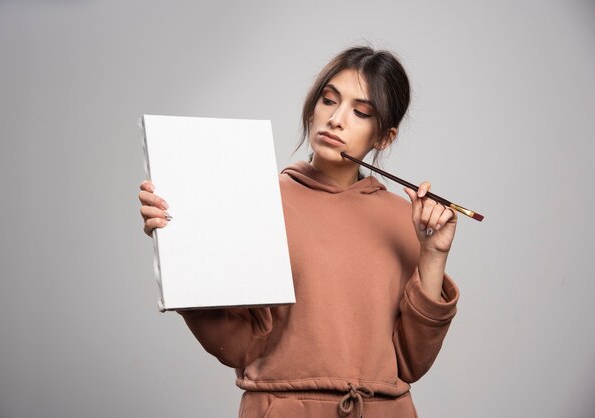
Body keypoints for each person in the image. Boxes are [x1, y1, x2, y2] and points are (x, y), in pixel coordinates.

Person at [138, 46, 459, 418]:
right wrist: (178, 240)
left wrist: (433, 255)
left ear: (384, 137)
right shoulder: (254, 200)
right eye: (328, 100)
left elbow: (412, 362)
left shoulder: (405, 220)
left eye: (361, 112)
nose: (336, 119)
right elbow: (238, 347)